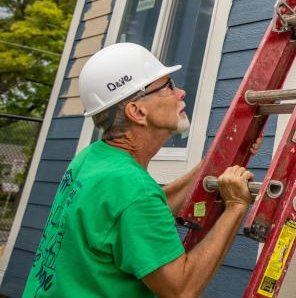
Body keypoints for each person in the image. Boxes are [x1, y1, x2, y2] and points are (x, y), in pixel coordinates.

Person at [24, 42, 259, 297]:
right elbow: (181, 289)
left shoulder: (92, 159)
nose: (180, 92)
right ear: (137, 111)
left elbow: (142, 213)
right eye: (168, 86)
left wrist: (214, 162)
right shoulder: (132, 189)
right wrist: (235, 207)